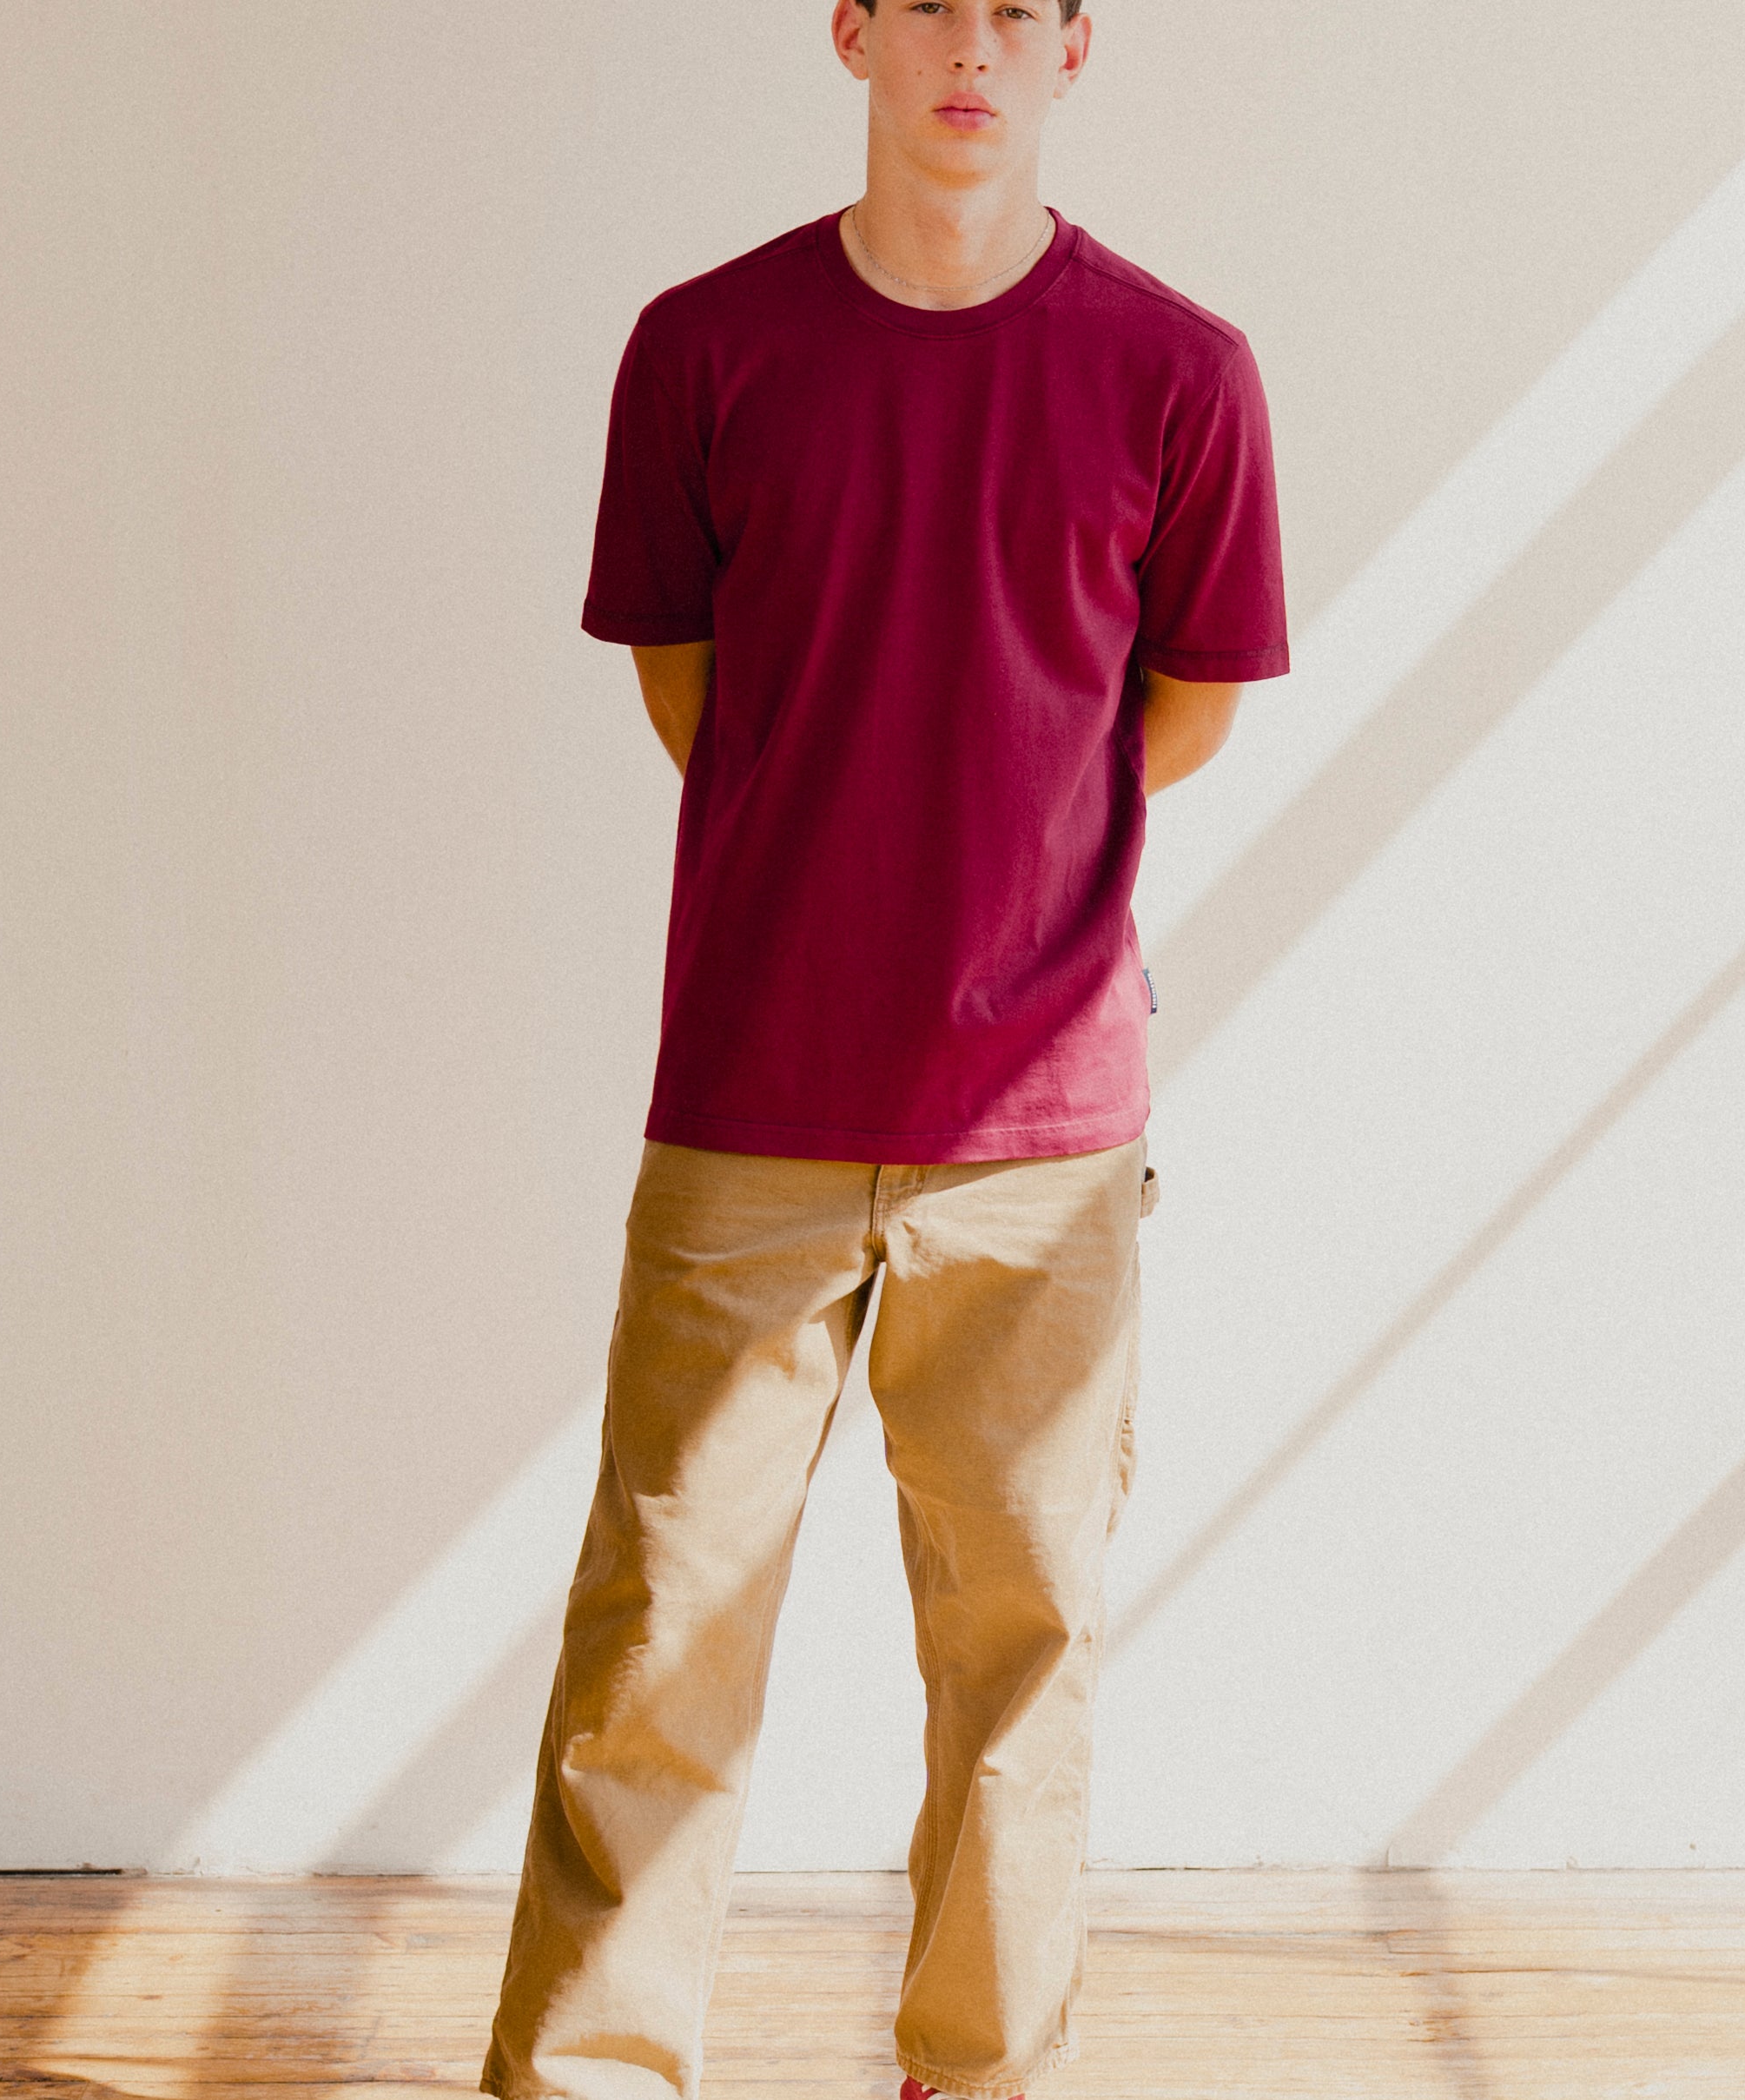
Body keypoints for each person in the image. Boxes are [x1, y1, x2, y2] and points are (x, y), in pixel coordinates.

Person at [481, 3, 1287, 2095]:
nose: (975, 45)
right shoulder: (705, 350)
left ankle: (978, 2073)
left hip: (1042, 1135)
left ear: (1075, 49)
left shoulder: (1180, 373)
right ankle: (592, 2074)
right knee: (656, 1639)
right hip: (749, 1103)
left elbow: (1179, 714)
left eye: (1022, 9)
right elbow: (694, 692)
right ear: (850, 28)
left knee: (1025, 1665)